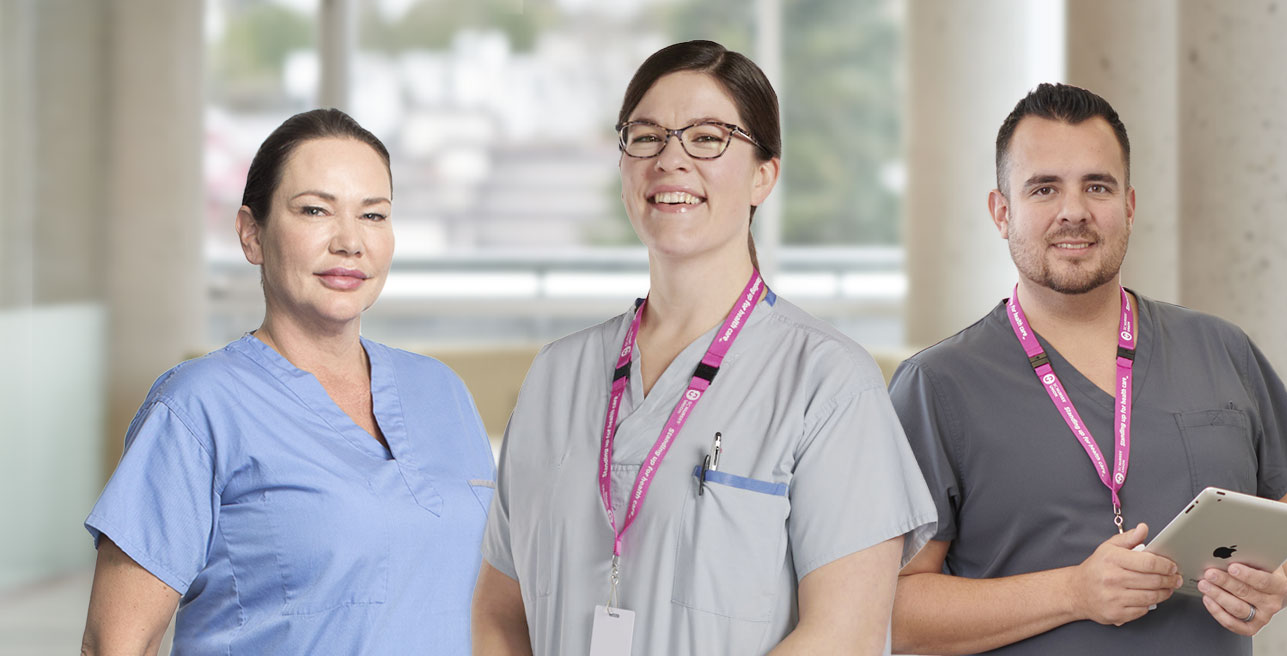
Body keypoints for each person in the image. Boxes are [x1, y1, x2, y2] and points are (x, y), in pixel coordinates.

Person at [472, 40, 937, 655]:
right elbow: (499, 613)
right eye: (647, 136)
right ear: (623, 166)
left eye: (709, 138)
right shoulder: (557, 376)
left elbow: (842, 636)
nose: (671, 159)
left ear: (763, 176)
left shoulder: (827, 383)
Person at [887, 83, 1287, 655]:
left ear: (1129, 205)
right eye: (1044, 188)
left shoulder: (1222, 350)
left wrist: (1275, 587)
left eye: (1097, 186)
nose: (1074, 211)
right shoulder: (937, 387)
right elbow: (892, 611)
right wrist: (1073, 592)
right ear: (1002, 212)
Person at [80, 109, 496, 654]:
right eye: (315, 210)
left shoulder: (442, 393)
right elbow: (114, 644)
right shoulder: (198, 408)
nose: (350, 242)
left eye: (373, 216)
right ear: (252, 234)